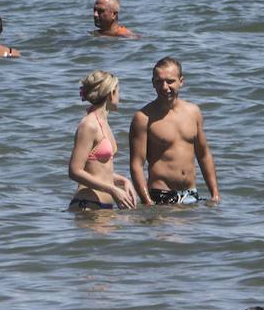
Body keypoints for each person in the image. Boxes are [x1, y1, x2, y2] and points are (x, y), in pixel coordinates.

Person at [129, 57, 219, 205]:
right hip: (161, 196)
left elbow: (203, 155)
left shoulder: (193, 112)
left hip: (192, 195)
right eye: (159, 82)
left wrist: (215, 193)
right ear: (153, 83)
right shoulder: (143, 118)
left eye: (170, 81)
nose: (164, 87)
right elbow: (136, 165)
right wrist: (147, 201)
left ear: (181, 81)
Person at [67, 70, 135, 210]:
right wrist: (113, 189)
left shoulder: (103, 122)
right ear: (111, 93)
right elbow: (75, 171)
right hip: (88, 205)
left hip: (102, 207)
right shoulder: (89, 125)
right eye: (118, 91)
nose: (120, 97)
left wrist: (123, 181)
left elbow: (98, 171)